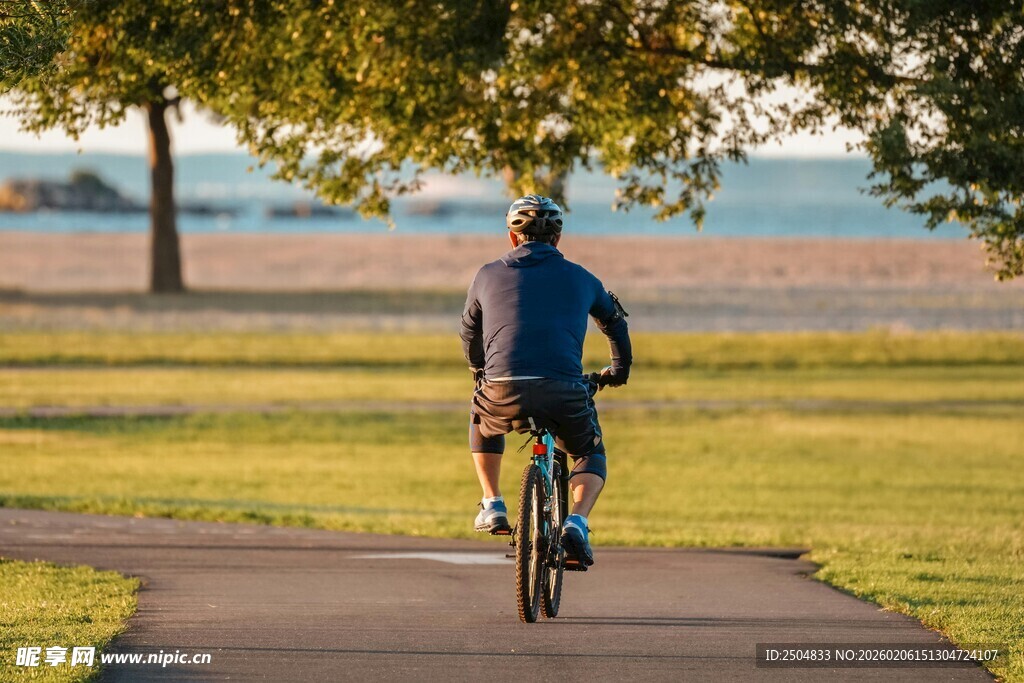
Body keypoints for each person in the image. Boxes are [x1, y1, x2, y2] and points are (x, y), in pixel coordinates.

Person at [460, 194, 632, 568]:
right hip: (564, 391)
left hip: (501, 387)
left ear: (511, 236)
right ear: (557, 239)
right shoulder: (582, 278)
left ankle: (491, 503)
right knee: (589, 451)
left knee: (482, 413)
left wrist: (480, 371)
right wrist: (618, 371)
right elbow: (615, 323)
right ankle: (576, 521)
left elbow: (469, 331)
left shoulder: (486, 274)